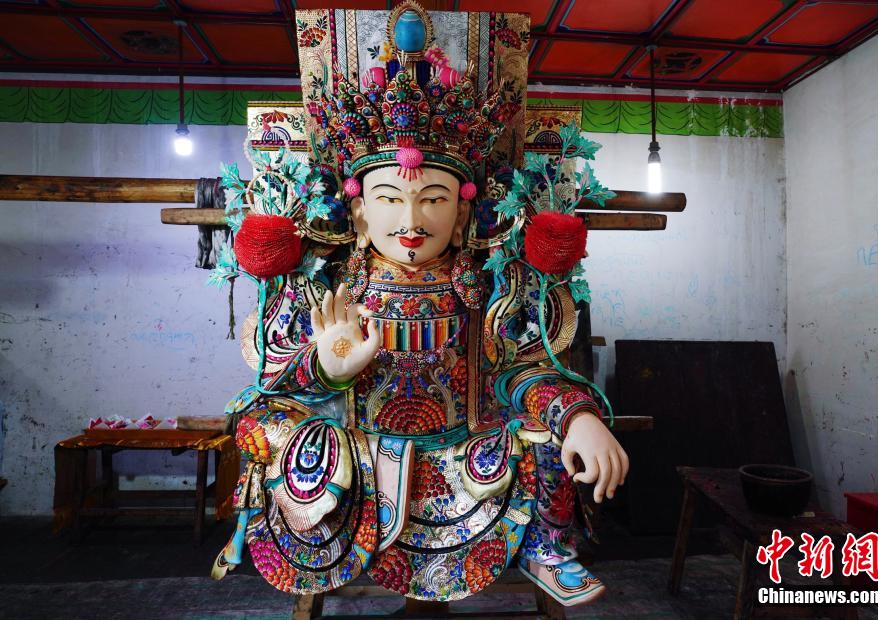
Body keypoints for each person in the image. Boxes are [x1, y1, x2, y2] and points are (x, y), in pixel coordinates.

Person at [212, 0, 628, 606]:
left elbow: (520, 370)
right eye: (389, 198)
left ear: (461, 215)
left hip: (468, 452)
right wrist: (325, 368)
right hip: (359, 453)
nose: (411, 220)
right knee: (260, 426)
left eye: (433, 199)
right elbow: (271, 385)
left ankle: (546, 546)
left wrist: (578, 416)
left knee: (543, 433)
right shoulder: (327, 287)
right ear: (359, 214)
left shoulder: (487, 285)